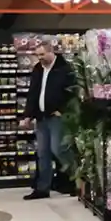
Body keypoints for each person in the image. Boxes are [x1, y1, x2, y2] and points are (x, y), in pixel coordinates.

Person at [23, 40, 75, 200]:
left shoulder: (64, 69)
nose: (40, 58)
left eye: (42, 54)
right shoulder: (38, 69)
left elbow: (73, 92)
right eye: (37, 55)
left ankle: (77, 180)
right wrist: (27, 115)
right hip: (41, 117)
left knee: (58, 149)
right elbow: (33, 93)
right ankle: (42, 189)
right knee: (42, 153)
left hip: (57, 117)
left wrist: (63, 110)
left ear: (51, 52)